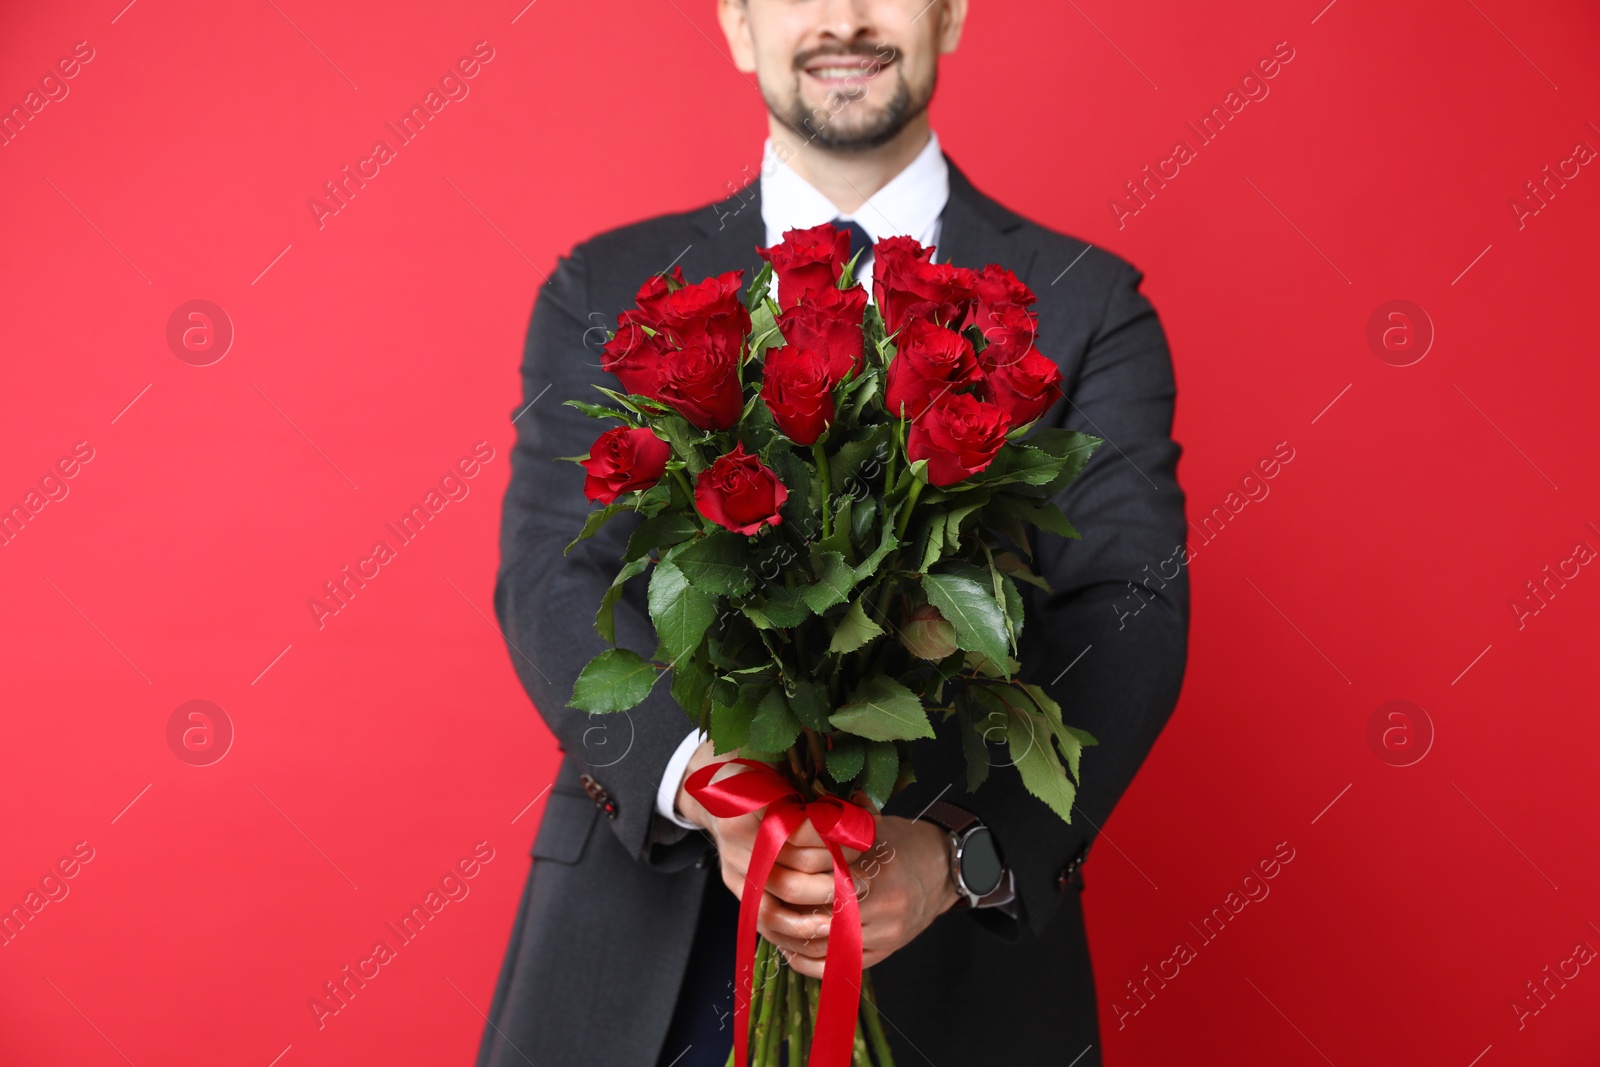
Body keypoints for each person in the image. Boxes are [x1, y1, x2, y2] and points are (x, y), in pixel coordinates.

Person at [477, 1, 1189, 1064]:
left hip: (957, 971)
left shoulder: (1087, 306)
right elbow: (550, 574)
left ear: (949, 16)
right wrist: (716, 788)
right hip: (639, 945)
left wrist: (954, 853)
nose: (845, 20)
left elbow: (1127, 605)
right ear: (736, 23)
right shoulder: (606, 286)